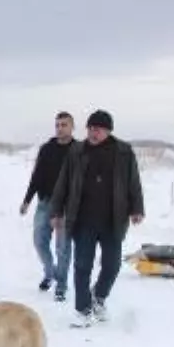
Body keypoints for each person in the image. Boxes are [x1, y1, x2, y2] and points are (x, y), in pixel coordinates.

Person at [49, 109, 145, 327]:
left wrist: (136, 208)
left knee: (112, 265)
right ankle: (82, 310)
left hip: (113, 220)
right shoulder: (77, 151)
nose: (93, 133)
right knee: (83, 265)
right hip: (83, 220)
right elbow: (62, 183)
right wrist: (56, 212)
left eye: (98, 129)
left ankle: (98, 297)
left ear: (108, 131)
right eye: (90, 128)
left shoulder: (123, 152)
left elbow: (133, 183)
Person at [20, 112, 75, 301]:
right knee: (39, 241)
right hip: (45, 202)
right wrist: (27, 200)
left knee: (63, 247)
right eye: (58, 125)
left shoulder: (78, 150)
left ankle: (61, 285)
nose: (60, 128)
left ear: (72, 127)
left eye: (64, 125)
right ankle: (50, 272)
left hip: (67, 207)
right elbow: (36, 177)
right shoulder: (46, 149)